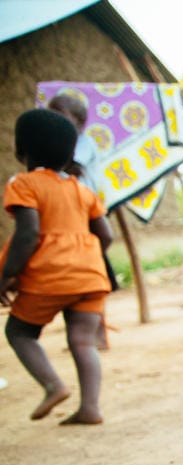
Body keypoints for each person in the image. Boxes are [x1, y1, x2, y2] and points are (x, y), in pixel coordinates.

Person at [1, 108, 113, 424]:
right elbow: (106, 234)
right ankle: (90, 407)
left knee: (20, 332)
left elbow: (28, 233)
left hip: (48, 276)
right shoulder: (82, 189)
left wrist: (8, 274)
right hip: (91, 276)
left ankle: (53, 385)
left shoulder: (23, 184)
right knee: (83, 340)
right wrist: (87, 260)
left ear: (21, 150)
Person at [47, 93, 119, 292]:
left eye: (59, 113)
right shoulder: (65, 144)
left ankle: (96, 280)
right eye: (50, 113)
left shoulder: (82, 142)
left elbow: (74, 167)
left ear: (78, 121)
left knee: (93, 245)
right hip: (72, 204)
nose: (54, 118)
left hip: (84, 204)